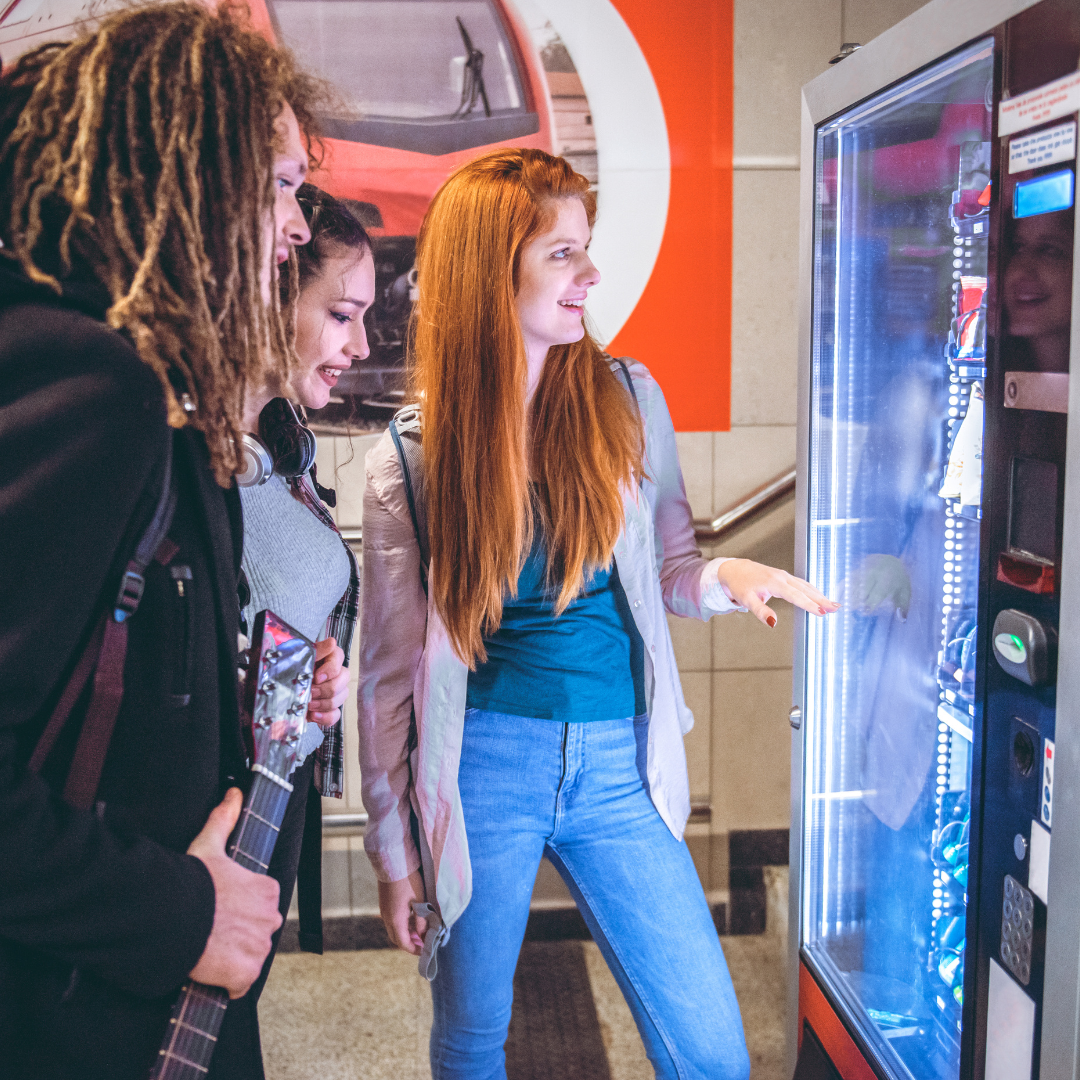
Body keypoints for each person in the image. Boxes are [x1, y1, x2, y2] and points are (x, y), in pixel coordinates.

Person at [358, 147, 837, 1080]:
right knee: (470, 1040)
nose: (591, 275)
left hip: (620, 768)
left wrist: (725, 575)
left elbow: (671, 570)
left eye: (588, 249)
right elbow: (383, 685)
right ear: (491, 274)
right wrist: (392, 855)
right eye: (562, 255)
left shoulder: (628, 399)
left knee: (711, 1054)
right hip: (484, 769)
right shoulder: (408, 460)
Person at [0, 5, 321, 1077]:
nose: (297, 224)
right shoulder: (93, 386)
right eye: (279, 184)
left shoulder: (140, 376)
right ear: (189, 177)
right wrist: (180, 913)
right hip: (79, 1013)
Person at [213, 183, 374, 1073]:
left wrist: (318, 677)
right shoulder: (192, 450)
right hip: (206, 817)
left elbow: (270, 616)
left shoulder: (283, 442)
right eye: (341, 314)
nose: (358, 345)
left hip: (274, 792)